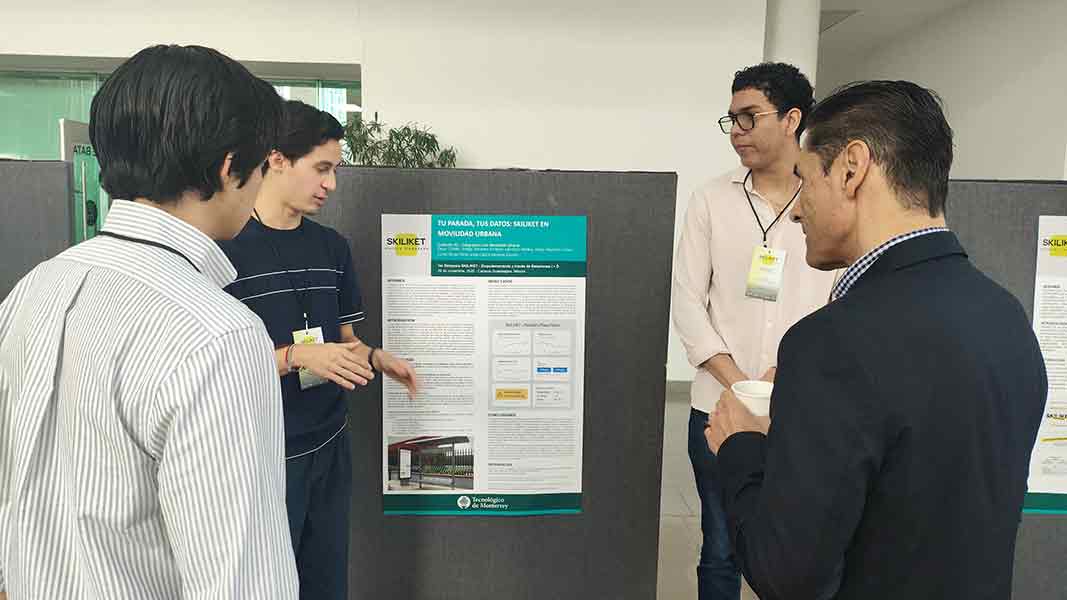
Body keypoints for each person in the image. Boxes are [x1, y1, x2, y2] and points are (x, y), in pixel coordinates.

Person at [706, 80, 1048, 600]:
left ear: (851, 168)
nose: (797, 210)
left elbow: (787, 575)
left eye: (805, 180)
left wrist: (741, 446)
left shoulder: (830, 344)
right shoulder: (1004, 315)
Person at [0, 45, 297, 598]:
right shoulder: (217, 334)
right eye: (260, 170)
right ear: (229, 167)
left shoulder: (32, 291)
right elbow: (240, 580)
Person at [219, 100, 417, 599]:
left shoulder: (333, 248)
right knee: (265, 587)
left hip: (331, 444)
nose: (331, 183)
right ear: (277, 159)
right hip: (263, 456)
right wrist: (296, 356)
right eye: (322, 168)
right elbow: (211, 368)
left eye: (335, 169)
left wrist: (375, 358)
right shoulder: (223, 253)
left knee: (327, 585)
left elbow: (346, 342)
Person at [671, 62, 836, 598]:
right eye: (731, 119)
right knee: (721, 547)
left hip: (802, 408)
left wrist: (789, 373)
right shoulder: (711, 200)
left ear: (792, 119)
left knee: (802, 543)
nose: (737, 131)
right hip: (718, 407)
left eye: (749, 117)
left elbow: (844, 300)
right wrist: (738, 381)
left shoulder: (827, 199)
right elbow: (688, 302)